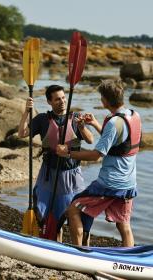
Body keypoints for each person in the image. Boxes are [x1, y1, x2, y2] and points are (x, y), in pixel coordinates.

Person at [56, 80, 142, 247]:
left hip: (110, 184)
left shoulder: (112, 123)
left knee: (73, 209)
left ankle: (78, 252)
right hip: (129, 184)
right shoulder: (134, 115)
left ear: (105, 100)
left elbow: (96, 155)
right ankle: (127, 261)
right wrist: (95, 124)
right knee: (123, 225)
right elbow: (118, 142)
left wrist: (67, 153)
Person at [18, 85, 94, 242]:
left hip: (72, 175)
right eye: (57, 99)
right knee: (50, 217)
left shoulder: (76, 118)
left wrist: (82, 127)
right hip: (49, 176)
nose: (62, 101)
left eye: (64, 97)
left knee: (78, 218)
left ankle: (81, 250)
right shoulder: (42, 120)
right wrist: (26, 111)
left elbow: (90, 140)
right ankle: (54, 247)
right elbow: (21, 134)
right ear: (49, 102)